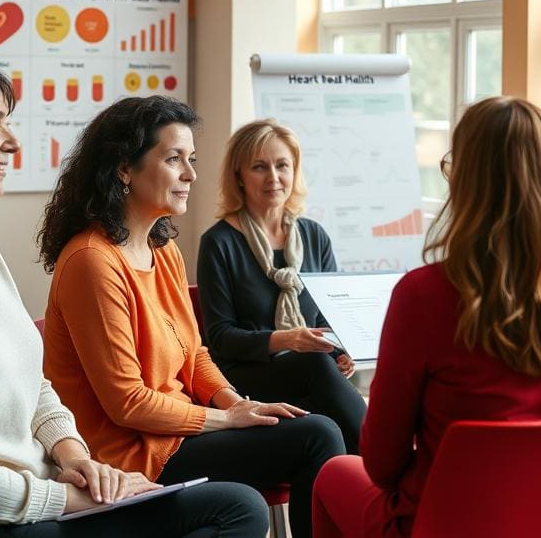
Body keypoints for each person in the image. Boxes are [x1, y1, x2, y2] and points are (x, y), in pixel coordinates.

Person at [0, 49, 268, 538]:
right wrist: (67, 498)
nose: (13, 142)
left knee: (238, 506)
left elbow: (35, 384)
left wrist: (77, 458)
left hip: (42, 491)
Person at [311, 96, 541, 538]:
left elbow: (381, 465)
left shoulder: (425, 294)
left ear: (467, 181)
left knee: (334, 474)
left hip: (450, 521)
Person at [38, 97, 345, 538]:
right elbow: (128, 403)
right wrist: (227, 419)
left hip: (179, 436)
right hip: (132, 456)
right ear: (124, 169)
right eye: (174, 159)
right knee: (316, 436)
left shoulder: (163, 251)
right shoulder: (92, 261)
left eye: (191, 160)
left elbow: (195, 353)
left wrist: (236, 403)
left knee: (318, 431)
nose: (191, 174)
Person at [195, 119, 367, 454]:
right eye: (260, 167)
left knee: (328, 420)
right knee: (316, 368)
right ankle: (388, 464)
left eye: (282, 165)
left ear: (294, 171)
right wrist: (288, 340)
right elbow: (220, 338)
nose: (274, 178)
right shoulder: (219, 242)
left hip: (308, 375)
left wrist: (342, 352)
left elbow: (333, 320)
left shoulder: (314, 235)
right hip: (244, 377)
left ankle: (361, 487)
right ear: (239, 177)